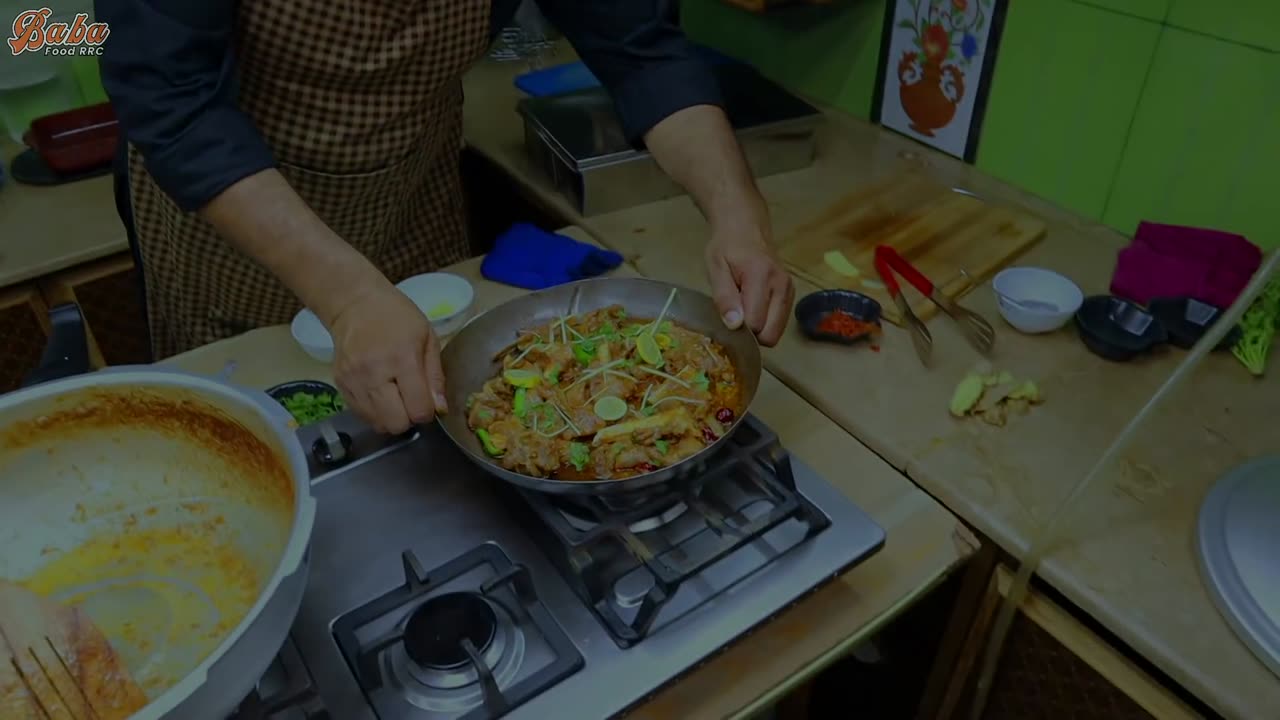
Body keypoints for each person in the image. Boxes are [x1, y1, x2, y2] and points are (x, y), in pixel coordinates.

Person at [96, 0, 794, 435]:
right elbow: (174, 104)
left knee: (440, 419)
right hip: (245, 226)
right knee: (268, 444)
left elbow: (641, 48)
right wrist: (351, 298)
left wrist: (738, 212)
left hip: (410, 196)